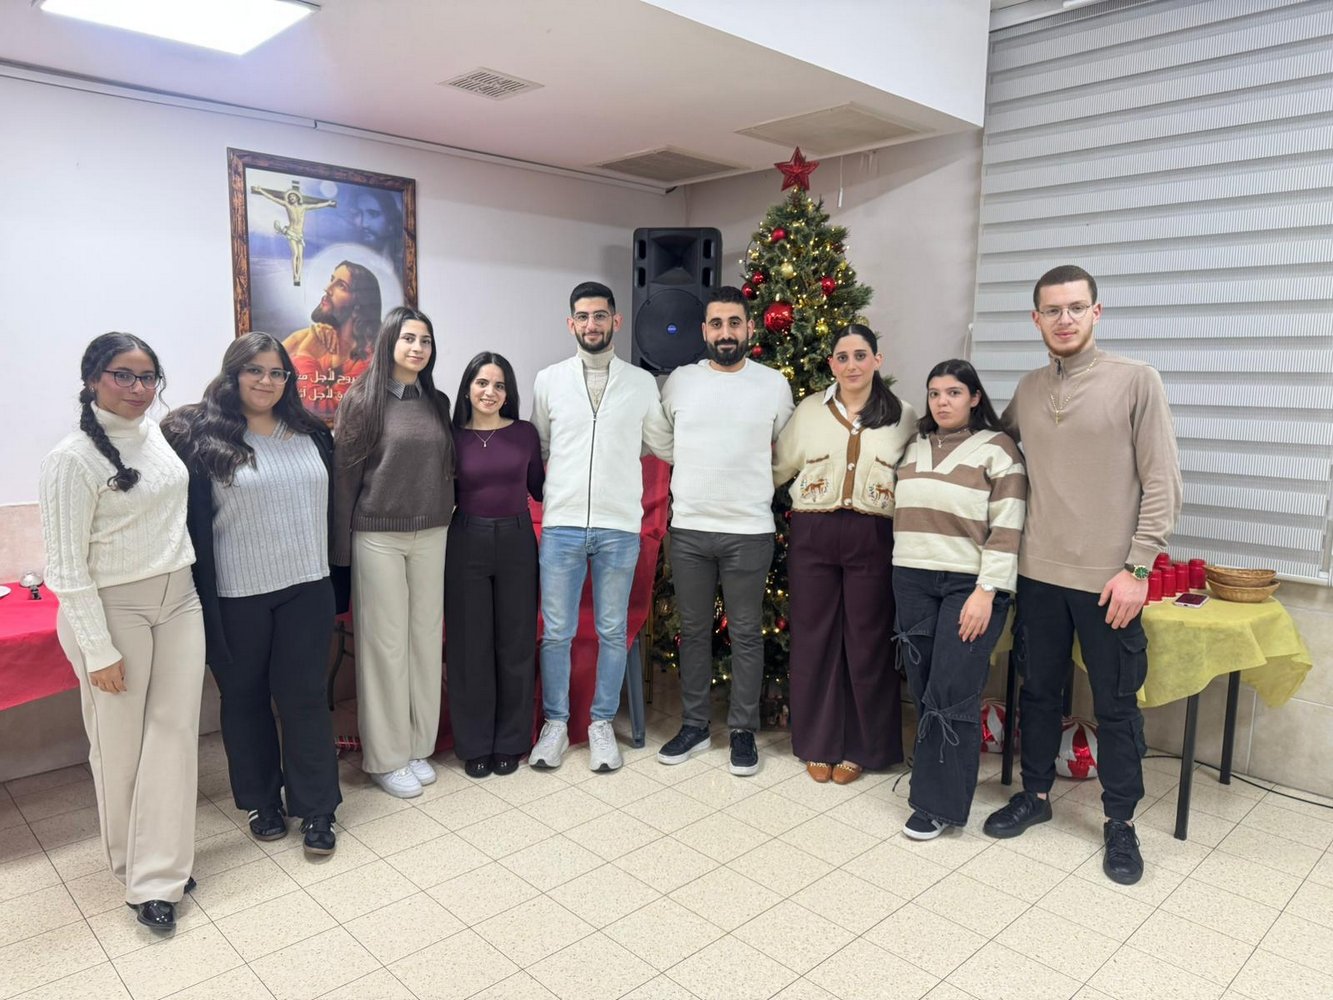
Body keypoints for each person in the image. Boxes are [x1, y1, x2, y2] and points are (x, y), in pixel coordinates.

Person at [982, 264, 1181, 886]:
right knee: (1039, 694)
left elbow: (1163, 482)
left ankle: (1120, 822)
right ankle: (1036, 796)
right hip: (1039, 574)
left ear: (1096, 312)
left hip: (1108, 581)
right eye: (1052, 310)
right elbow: (993, 448)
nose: (1064, 320)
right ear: (1036, 319)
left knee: (1117, 706)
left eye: (1075, 308)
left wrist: (1138, 568)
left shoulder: (1136, 381)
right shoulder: (1029, 389)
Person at [39, 333, 206, 931]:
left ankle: (159, 868)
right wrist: (97, 648)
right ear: (92, 379)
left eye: (148, 377)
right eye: (123, 375)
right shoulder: (71, 458)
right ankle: (135, 863)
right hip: (112, 610)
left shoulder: (154, 436)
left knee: (174, 735)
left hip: (179, 598)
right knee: (119, 746)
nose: (139, 389)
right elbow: (65, 569)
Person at [162, 333, 344, 857]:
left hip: (307, 587)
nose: (267, 381)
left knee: (305, 699)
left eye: (277, 372)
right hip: (235, 595)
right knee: (244, 701)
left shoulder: (312, 433)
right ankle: (262, 802)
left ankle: (318, 808)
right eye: (255, 370)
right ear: (234, 374)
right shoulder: (201, 437)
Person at [528, 280, 672, 772]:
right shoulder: (548, 380)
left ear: (616, 320)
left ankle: (601, 724)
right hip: (562, 526)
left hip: (618, 527)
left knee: (612, 631)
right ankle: (555, 724)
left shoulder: (641, 383)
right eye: (583, 317)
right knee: (557, 632)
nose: (592, 325)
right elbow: (540, 448)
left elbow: (661, 443)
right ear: (571, 323)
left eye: (600, 315)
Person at [657, 286, 794, 776]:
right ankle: (695, 725)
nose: (726, 332)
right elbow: (664, 440)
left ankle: (742, 731)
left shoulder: (773, 384)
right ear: (704, 331)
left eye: (735, 323)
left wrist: (749, 480)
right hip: (690, 529)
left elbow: (786, 449)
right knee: (694, 633)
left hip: (748, 530)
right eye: (717, 324)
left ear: (750, 328)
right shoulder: (680, 382)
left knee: (746, 635)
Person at [773, 324, 916, 785]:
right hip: (813, 533)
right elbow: (779, 467)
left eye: (860, 355)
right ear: (831, 363)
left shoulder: (903, 416)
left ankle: (862, 747)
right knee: (814, 637)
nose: (851, 364)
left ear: (877, 360)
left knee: (867, 640)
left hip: (873, 536)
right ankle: (817, 741)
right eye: (842, 357)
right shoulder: (810, 411)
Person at [891, 359, 1027, 840]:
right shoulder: (912, 446)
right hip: (911, 577)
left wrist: (986, 591)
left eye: (953, 392)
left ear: (974, 397)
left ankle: (938, 807)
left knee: (952, 691)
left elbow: (1008, 525)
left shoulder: (998, 449)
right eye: (934, 393)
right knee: (924, 684)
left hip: (968, 585)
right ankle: (930, 778)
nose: (942, 402)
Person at [333, 306, 455, 798]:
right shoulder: (362, 400)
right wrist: (340, 552)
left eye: (425, 340)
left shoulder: (437, 401)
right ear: (389, 342)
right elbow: (345, 478)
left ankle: (417, 746)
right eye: (409, 339)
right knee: (384, 646)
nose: (418, 348)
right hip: (377, 535)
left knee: (424, 641)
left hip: (433, 532)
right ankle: (385, 757)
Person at [446, 352, 544, 778]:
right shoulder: (451, 437)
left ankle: (511, 741)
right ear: (468, 388)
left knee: (516, 644)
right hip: (466, 539)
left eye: (499, 385)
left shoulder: (524, 434)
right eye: (482, 383)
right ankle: (474, 743)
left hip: (517, 539)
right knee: (470, 647)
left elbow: (540, 488)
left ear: (509, 393)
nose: (490, 392)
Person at [283, 261, 382, 421]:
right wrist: (297, 340)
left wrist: (305, 354)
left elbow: (326, 409)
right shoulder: (308, 337)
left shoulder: (369, 359)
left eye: (341, 286)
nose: (327, 289)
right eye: (331, 279)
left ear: (359, 305)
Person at [250, 182, 337, 286]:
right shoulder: (287, 205)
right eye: (290, 197)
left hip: (300, 235)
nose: (291, 198)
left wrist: (328, 203)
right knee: (295, 254)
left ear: (297, 198)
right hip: (291, 232)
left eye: (293, 196)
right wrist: (261, 191)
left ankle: (298, 275)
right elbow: (273, 198)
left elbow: (316, 205)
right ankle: (295, 275)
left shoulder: (303, 207)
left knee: (300, 256)